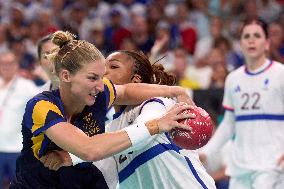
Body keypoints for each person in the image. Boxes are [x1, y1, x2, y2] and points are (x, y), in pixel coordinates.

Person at [9, 31, 195, 189]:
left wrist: (174, 90)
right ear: (66, 76)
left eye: (101, 77)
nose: (101, 85)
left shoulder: (98, 92)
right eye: (92, 78)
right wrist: (156, 125)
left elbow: (127, 90)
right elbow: (89, 149)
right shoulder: (42, 107)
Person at [42, 50, 216, 189]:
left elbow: (139, 137)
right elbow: (103, 173)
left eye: (113, 67)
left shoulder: (158, 105)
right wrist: (66, 159)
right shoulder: (111, 130)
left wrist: (74, 155)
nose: (104, 72)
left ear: (135, 80)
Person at [199, 18, 284, 189]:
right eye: (246, 36)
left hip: (272, 165)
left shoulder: (280, 74)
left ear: (267, 43)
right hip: (240, 167)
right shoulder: (233, 79)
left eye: (257, 36)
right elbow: (229, 124)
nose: (251, 40)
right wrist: (206, 153)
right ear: (241, 43)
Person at [0, 51, 39, 188]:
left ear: (16, 65)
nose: (6, 67)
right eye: (3, 63)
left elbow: (44, 100)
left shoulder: (26, 86)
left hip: (16, 148)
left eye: (10, 63)